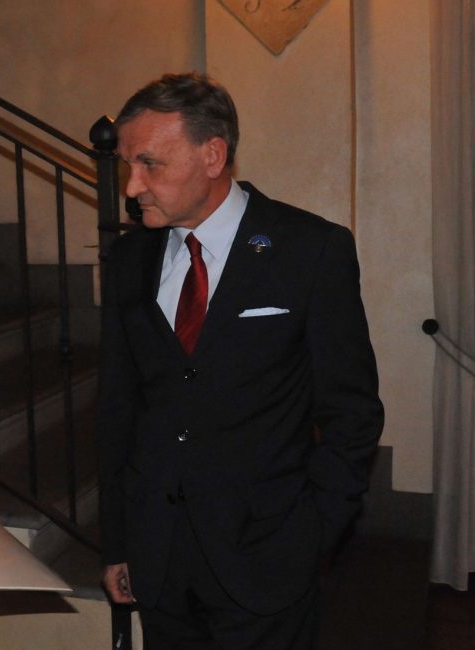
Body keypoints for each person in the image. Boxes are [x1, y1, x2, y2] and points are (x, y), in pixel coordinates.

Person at [96, 72, 384, 649]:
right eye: (129, 165)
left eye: (150, 163)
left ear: (212, 154)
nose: (132, 186)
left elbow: (351, 412)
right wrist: (119, 542)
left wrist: (313, 535)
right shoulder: (128, 260)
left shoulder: (310, 250)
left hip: (268, 563)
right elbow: (118, 410)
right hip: (160, 560)